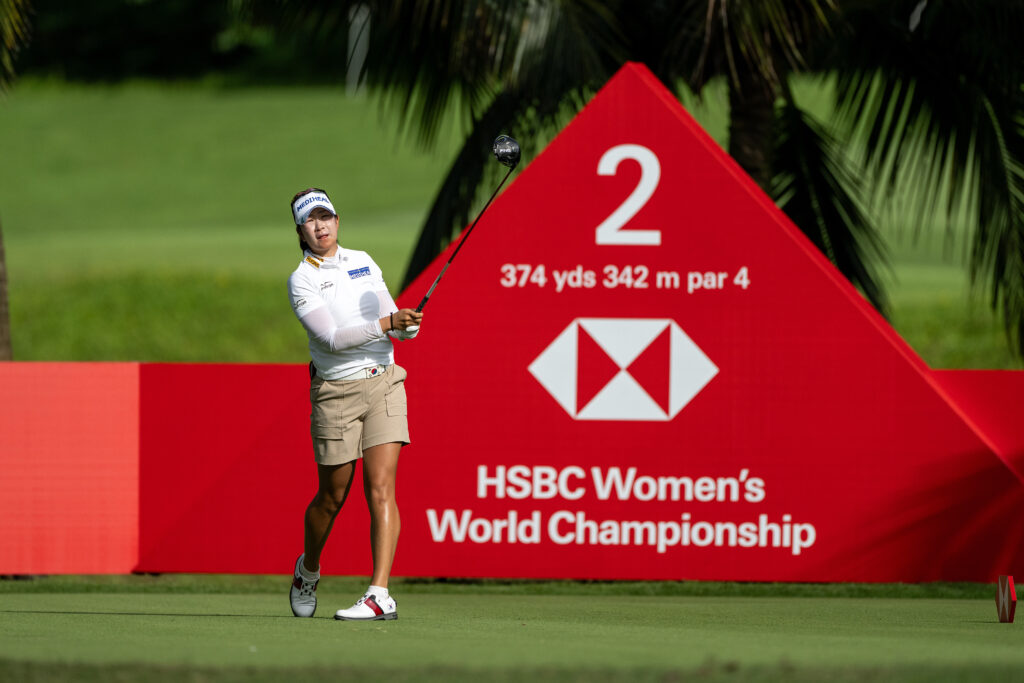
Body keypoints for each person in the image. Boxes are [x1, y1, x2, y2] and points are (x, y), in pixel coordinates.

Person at [286, 187, 422, 621]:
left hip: (384, 383)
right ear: (300, 231)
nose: (320, 226)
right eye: (311, 221)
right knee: (332, 496)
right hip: (335, 393)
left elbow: (390, 320)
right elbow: (332, 338)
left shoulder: (364, 261)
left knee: (380, 488)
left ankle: (380, 594)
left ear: (338, 220)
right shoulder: (302, 279)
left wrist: (405, 328)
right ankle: (308, 569)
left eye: (326, 217)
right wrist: (388, 323)